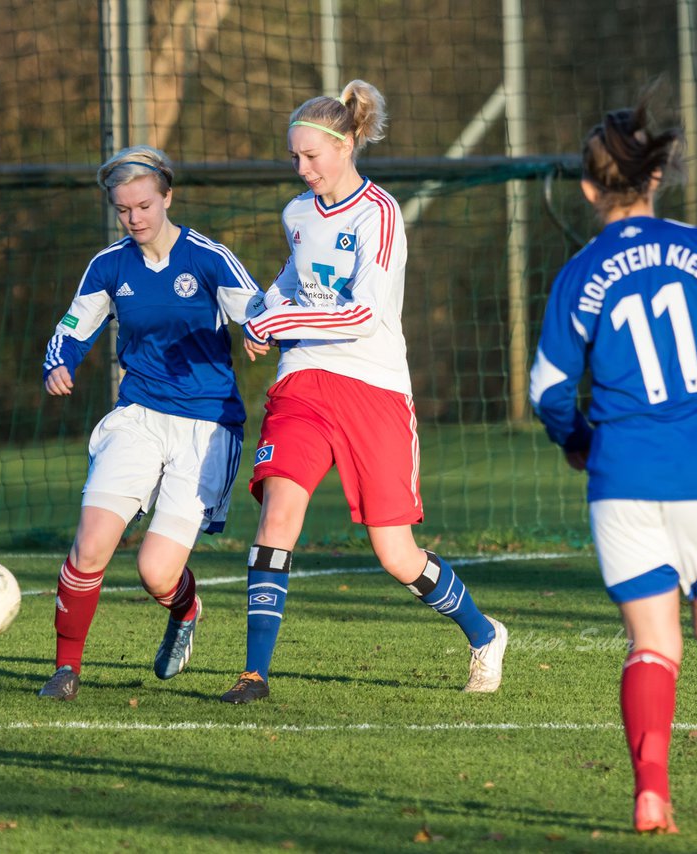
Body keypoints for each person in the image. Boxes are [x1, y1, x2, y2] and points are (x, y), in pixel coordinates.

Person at [529, 97, 697, 834]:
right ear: (656, 180)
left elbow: (546, 388)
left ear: (588, 189)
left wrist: (576, 439)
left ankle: (651, 792)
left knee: (653, 644)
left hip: (625, 479)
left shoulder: (581, 274)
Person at [219, 80, 508, 705]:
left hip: (373, 386)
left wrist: (279, 320)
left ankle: (484, 635)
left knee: (394, 553)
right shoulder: (297, 213)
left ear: (347, 144)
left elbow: (362, 315)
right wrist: (260, 312)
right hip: (302, 381)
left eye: (312, 157)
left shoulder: (379, 214)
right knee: (279, 514)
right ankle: (254, 673)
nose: (302, 169)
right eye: (294, 158)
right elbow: (290, 278)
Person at [38, 145, 265, 701]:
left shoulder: (208, 257)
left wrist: (262, 330)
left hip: (206, 427)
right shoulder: (109, 265)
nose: (134, 218)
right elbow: (73, 325)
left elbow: (257, 307)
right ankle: (66, 670)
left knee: (156, 573)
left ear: (167, 196)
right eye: (123, 209)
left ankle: (185, 610)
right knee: (91, 544)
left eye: (143, 205)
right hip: (137, 415)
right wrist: (59, 362)